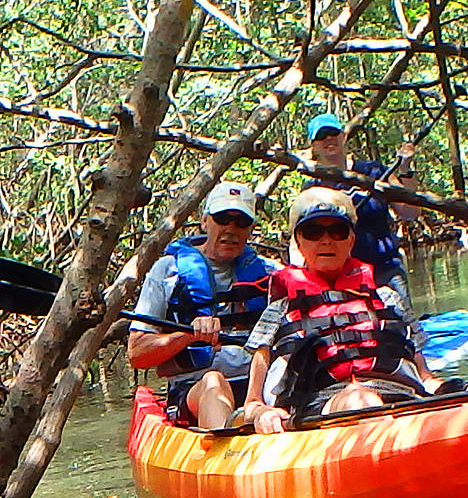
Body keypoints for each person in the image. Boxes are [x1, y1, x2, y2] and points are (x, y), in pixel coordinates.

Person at [242, 188, 450, 435]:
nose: (326, 240)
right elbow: (251, 403)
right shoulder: (278, 312)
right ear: (299, 242)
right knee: (360, 400)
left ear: (351, 240)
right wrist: (262, 412)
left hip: (403, 400)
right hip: (321, 409)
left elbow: (425, 377)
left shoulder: (388, 299)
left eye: (338, 231)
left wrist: (462, 392)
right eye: (313, 232)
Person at [127, 181, 276, 429]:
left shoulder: (271, 274)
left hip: (259, 387)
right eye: (222, 219)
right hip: (195, 389)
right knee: (214, 382)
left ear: (251, 228)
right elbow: (137, 354)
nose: (231, 229)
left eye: (241, 222)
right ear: (205, 221)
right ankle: (229, 450)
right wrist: (186, 336)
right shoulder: (167, 271)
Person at [304, 111, 420, 306]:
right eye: (321, 136)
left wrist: (405, 168)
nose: (329, 139)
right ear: (314, 145)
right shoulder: (312, 188)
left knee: (400, 329)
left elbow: (411, 212)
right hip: (342, 278)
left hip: (386, 270)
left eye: (333, 133)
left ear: (344, 136)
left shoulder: (374, 172)